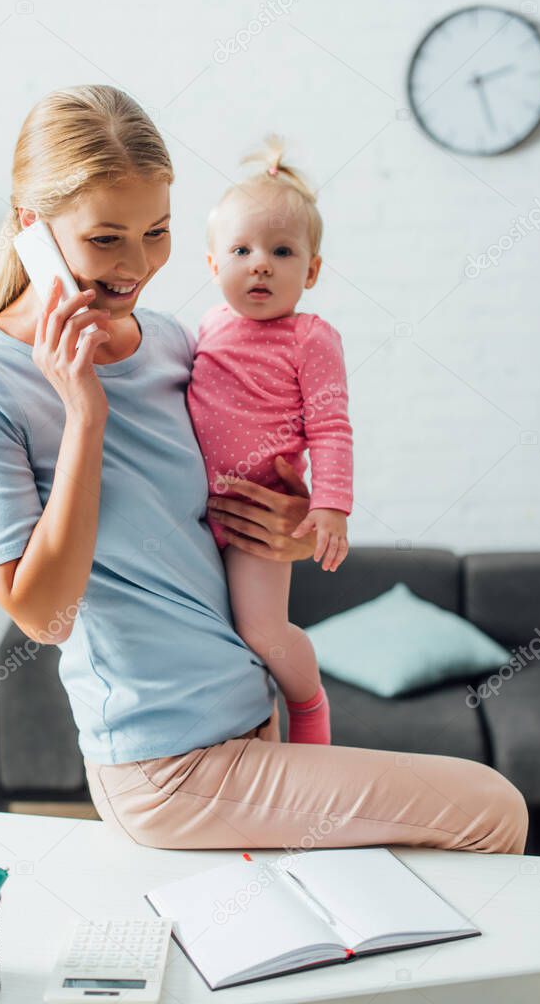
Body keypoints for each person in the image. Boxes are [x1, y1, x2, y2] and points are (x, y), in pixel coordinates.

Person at [0, 84, 528, 854]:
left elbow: (233, 511)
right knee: (490, 806)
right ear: (31, 230)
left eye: (156, 233)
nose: (136, 267)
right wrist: (83, 414)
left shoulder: (176, 340)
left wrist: (293, 523)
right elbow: (44, 618)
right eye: (105, 239)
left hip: (253, 711)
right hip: (165, 762)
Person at [187, 134, 352, 745]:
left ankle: (307, 703)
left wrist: (331, 506)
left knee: (262, 630)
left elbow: (331, 426)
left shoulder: (311, 337)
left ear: (309, 271)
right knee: (222, 641)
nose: (260, 263)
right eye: (242, 249)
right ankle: (259, 733)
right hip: (195, 515)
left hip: (260, 516)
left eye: (281, 251)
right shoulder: (205, 326)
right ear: (213, 266)